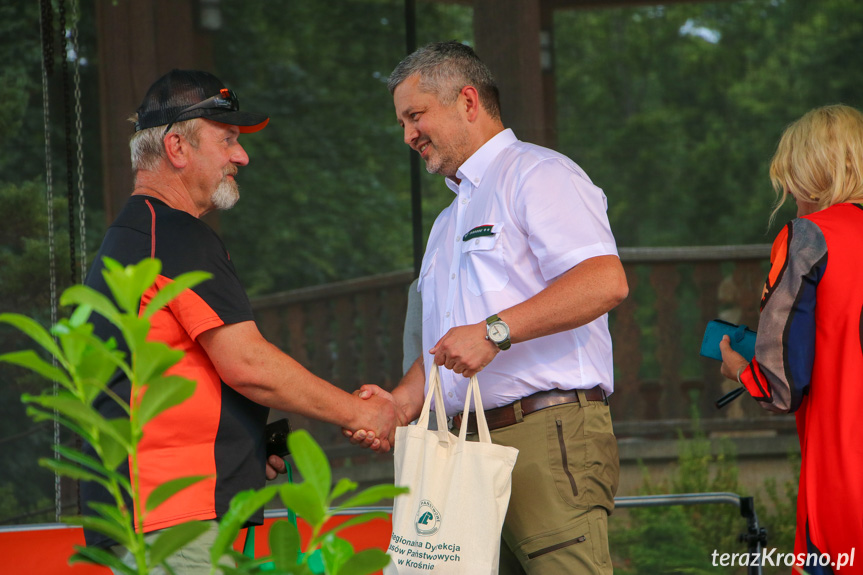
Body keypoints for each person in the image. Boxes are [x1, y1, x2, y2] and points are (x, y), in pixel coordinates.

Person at [81, 69, 400, 574]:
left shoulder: (136, 234)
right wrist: (358, 414)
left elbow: (170, 372)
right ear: (177, 148)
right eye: (227, 140)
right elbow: (247, 363)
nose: (241, 156)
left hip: (151, 518)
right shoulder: (175, 235)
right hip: (179, 522)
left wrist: (244, 441)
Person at [347, 41, 629, 574]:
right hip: (461, 448)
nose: (407, 135)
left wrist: (495, 330)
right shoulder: (447, 221)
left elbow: (603, 281)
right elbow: (449, 348)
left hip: (546, 431)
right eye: (402, 121)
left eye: (415, 115)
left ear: (468, 102)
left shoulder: (539, 173)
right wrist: (398, 405)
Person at [720, 104, 863, 574]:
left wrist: (739, 367)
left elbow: (782, 385)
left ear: (809, 176)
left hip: (845, 481)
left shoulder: (808, 238)